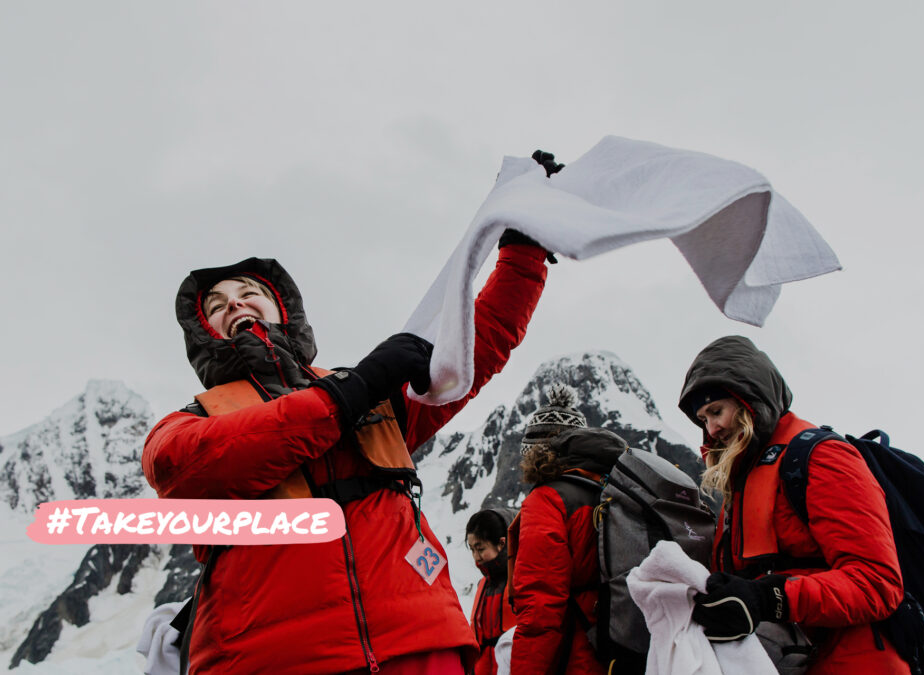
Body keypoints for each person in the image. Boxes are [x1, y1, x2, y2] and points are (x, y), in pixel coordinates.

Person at [141, 164, 560, 674]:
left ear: (281, 308)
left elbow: (474, 348)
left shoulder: (367, 390)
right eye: (217, 305)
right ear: (206, 333)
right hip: (272, 659)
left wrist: (524, 249)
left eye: (248, 294)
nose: (235, 305)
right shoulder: (192, 420)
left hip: (418, 644)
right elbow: (181, 467)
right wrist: (346, 395)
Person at [678, 335, 909, 674]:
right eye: (703, 420)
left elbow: (877, 582)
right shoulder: (743, 481)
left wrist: (769, 598)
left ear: (749, 400)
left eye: (716, 411)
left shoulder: (821, 456)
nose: (711, 429)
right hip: (790, 658)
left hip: (855, 661)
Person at [508, 427, 629, 675]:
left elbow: (540, 603)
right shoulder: (624, 499)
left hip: (576, 654)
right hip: (628, 649)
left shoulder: (549, 498)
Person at [465, 508, 518, 675]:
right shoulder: (484, 585)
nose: (475, 556)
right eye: (472, 549)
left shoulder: (520, 581)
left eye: (480, 549)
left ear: (502, 543)